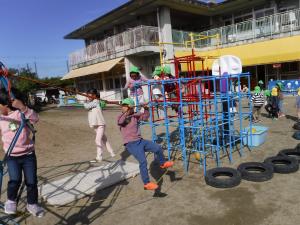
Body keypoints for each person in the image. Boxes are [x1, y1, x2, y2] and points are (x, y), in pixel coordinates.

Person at [0, 88, 44, 217]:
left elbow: (35, 119)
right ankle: (11, 201)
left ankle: (32, 204)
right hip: (12, 156)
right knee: (15, 180)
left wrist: (23, 107)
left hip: (28, 155)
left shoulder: (20, 114)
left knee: (31, 181)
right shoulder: (1, 118)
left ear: (6, 105)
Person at [117, 98, 174, 190]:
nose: (123, 107)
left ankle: (162, 163)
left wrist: (146, 108)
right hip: (131, 144)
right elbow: (120, 122)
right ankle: (146, 183)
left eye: (125, 106)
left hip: (140, 141)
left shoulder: (135, 116)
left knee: (158, 148)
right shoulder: (121, 117)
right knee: (143, 161)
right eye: (123, 106)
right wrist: (126, 112)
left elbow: (145, 116)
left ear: (131, 108)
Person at [84, 89, 115, 162]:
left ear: (94, 95)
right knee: (104, 139)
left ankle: (99, 157)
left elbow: (86, 106)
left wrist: (85, 102)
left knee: (97, 140)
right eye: (87, 95)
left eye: (89, 95)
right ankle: (112, 152)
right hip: (95, 124)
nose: (88, 96)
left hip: (100, 124)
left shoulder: (96, 101)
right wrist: (87, 101)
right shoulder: (92, 101)